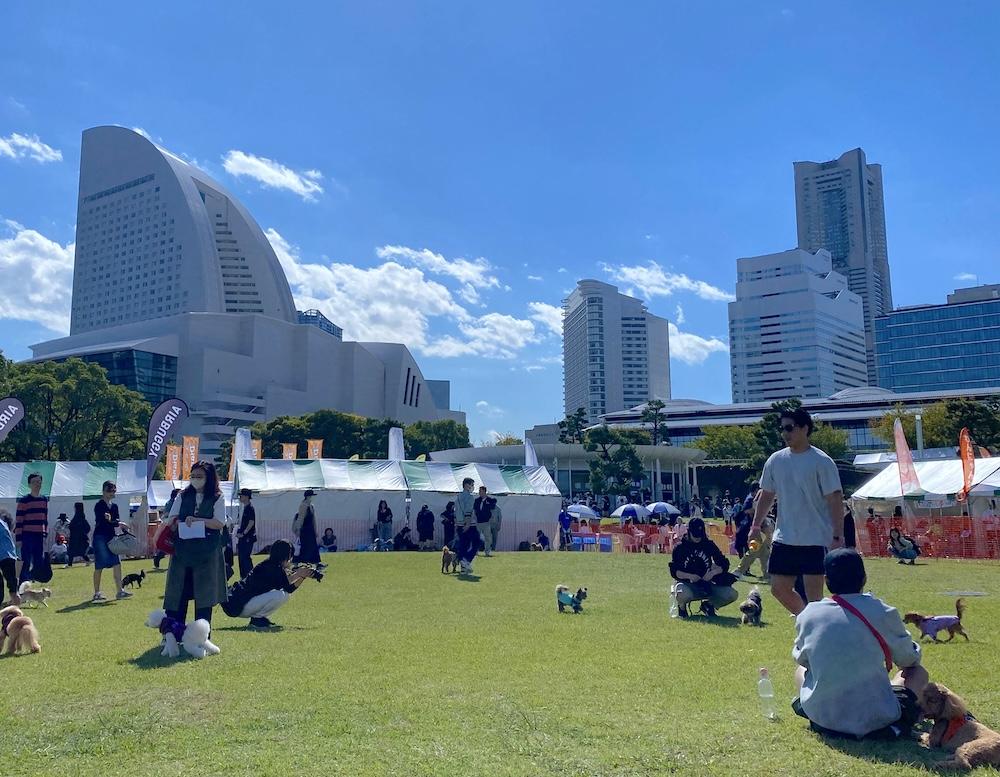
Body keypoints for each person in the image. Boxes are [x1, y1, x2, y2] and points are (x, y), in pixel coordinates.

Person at [792, 549, 928, 740]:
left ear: (825, 580)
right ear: (864, 578)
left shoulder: (808, 614)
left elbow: (804, 660)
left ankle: (812, 706)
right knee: (918, 673)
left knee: (800, 670)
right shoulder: (882, 610)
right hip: (876, 718)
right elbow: (908, 659)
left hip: (825, 718)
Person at [751, 407, 844, 616]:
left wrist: (838, 536)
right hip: (784, 538)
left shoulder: (822, 461)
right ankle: (808, 622)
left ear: (804, 428)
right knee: (778, 589)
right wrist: (756, 526)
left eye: (789, 428)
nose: (785, 433)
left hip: (815, 539)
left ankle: (815, 630)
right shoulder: (775, 460)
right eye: (782, 429)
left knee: (815, 598)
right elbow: (766, 494)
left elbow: (835, 499)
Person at [162, 461, 229, 635]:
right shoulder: (183, 495)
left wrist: (199, 521)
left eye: (200, 476)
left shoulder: (217, 497)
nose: (195, 480)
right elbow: (172, 518)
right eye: (193, 476)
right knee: (178, 594)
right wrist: (177, 523)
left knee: (204, 596)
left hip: (207, 553)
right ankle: (173, 634)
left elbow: (219, 522)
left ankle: (201, 636)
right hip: (183, 552)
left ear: (209, 478)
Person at [222, 540, 313, 629]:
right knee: (280, 595)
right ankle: (257, 620)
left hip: (238, 603)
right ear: (285, 556)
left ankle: (259, 619)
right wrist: (300, 574)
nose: (291, 560)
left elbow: (287, 586)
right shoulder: (271, 567)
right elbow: (288, 586)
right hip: (237, 605)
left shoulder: (272, 565)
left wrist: (302, 576)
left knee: (282, 594)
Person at [668, 517, 738, 617]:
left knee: (732, 594)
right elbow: (674, 571)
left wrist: (712, 573)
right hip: (687, 584)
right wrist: (690, 576)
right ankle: (682, 608)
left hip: (707, 584)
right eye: (695, 535)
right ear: (689, 532)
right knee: (682, 593)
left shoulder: (708, 545)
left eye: (700, 535)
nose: (698, 538)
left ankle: (709, 606)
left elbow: (724, 563)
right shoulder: (680, 548)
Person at [92, 480, 131, 601]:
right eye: (110, 490)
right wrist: (115, 522)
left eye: (114, 490)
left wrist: (115, 522)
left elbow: (114, 521)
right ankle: (97, 593)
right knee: (99, 565)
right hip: (100, 537)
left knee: (117, 563)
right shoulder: (99, 505)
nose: (112, 493)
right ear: (103, 491)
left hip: (111, 537)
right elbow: (103, 522)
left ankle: (120, 591)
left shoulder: (114, 506)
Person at [15, 472, 48, 584]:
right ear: (29, 484)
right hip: (27, 535)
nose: (37, 484)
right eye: (34, 482)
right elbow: (19, 520)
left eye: (39, 482)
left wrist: (45, 534)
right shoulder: (24, 500)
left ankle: (31, 580)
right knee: (25, 561)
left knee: (39, 561)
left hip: (39, 535)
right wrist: (19, 539)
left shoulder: (44, 499)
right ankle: (22, 585)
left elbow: (45, 519)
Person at [455, 477, 478, 574]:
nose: (472, 487)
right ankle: (466, 561)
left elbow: (456, 512)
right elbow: (468, 512)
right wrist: (468, 523)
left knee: (464, 545)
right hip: (469, 524)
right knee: (477, 542)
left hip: (459, 524)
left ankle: (463, 568)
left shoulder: (458, 497)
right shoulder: (469, 497)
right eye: (471, 484)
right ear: (466, 485)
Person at [235, 488, 256, 579]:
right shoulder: (244, 508)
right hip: (242, 537)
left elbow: (251, 522)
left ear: (247, 497)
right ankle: (243, 577)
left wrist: (244, 533)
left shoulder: (250, 508)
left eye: (242, 495)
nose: (240, 497)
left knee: (245, 557)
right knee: (241, 557)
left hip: (247, 537)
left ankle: (250, 576)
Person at [733, 482, 759, 557]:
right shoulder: (750, 499)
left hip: (745, 526)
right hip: (745, 527)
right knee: (746, 547)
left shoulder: (751, 497)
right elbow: (746, 510)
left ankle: (746, 564)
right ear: (756, 490)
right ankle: (745, 565)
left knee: (747, 547)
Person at [295, 490, 320, 564]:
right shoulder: (303, 505)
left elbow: (313, 519)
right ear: (308, 496)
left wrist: (315, 530)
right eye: (312, 496)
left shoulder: (311, 506)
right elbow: (300, 518)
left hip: (310, 529)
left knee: (313, 547)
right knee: (304, 547)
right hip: (304, 529)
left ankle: (316, 563)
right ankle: (296, 563)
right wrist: (298, 529)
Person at [0, 509, 19, 606]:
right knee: (13, 586)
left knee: (12, 586)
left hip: (6, 555)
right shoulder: (4, 524)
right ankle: (16, 609)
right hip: (10, 556)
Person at [67, 502, 91, 567]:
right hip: (78, 537)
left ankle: (70, 564)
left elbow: (87, 528)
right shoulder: (81, 518)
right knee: (78, 551)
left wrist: (81, 533)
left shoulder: (78, 518)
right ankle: (70, 564)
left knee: (75, 551)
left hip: (77, 537)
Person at [474, 486, 494, 555]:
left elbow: (493, 510)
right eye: (479, 491)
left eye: (481, 491)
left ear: (484, 492)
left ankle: (487, 552)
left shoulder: (490, 500)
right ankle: (475, 551)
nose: (479, 493)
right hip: (478, 522)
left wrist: (491, 519)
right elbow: (474, 510)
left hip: (486, 522)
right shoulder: (477, 500)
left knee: (487, 538)